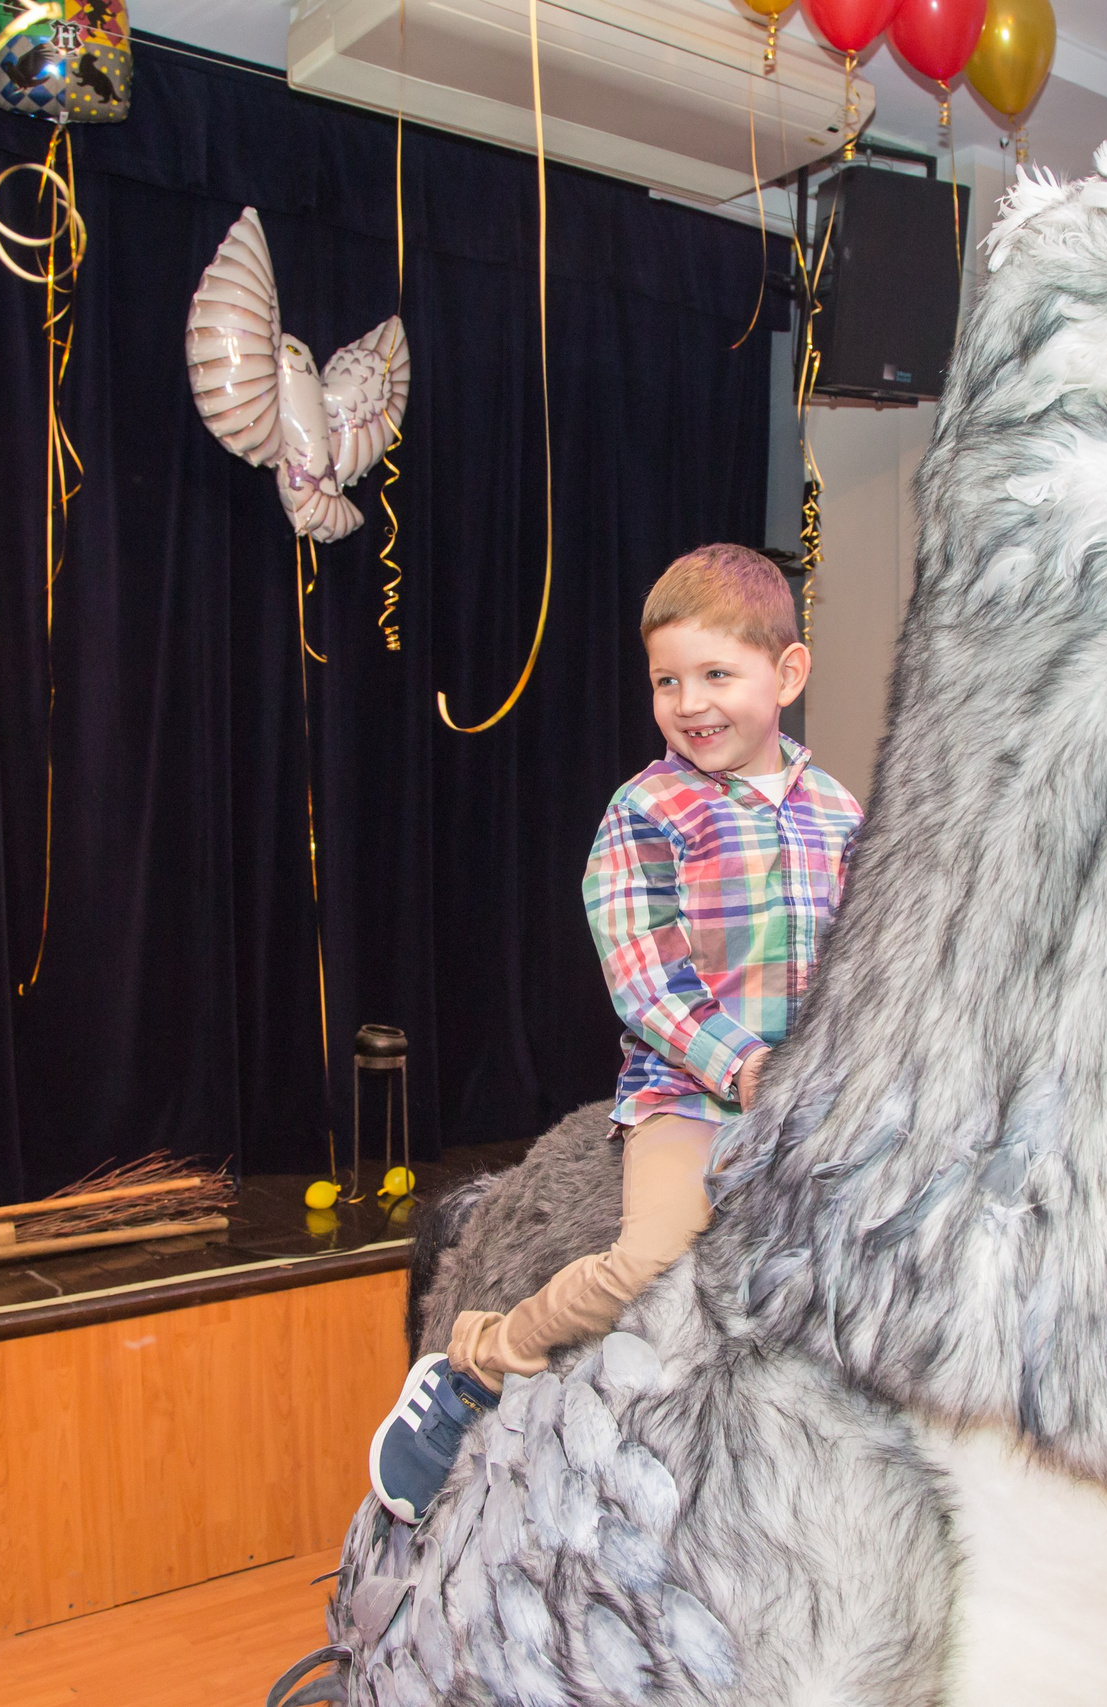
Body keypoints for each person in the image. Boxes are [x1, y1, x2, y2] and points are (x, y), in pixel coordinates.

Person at [368, 543, 864, 1523]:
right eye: (666, 681)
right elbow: (647, 980)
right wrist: (745, 1064)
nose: (690, 702)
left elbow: (866, 956)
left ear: (788, 674)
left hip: (806, 1105)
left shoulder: (840, 812)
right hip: (691, 1099)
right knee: (647, 1260)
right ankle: (473, 1365)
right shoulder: (646, 812)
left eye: (716, 675)